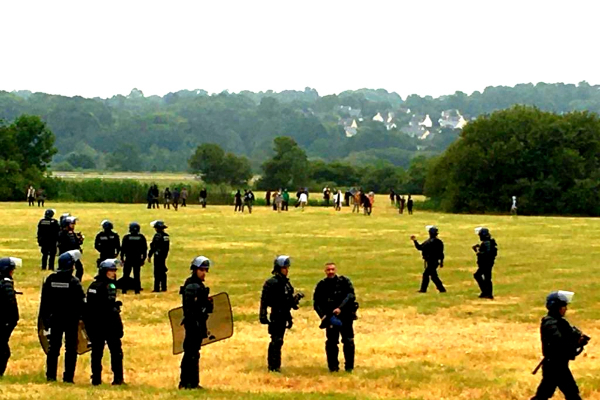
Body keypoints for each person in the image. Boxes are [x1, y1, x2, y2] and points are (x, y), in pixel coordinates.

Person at [531, 291, 589, 400]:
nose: (565, 309)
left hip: (558, 364)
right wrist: (576, 343)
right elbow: (559, 343)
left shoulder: (560, 322)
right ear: (556, 307)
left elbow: (572, 333)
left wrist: (579, 339)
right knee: (571, 393)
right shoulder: (550, 323)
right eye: (563, 306)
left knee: (545, 393)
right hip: (555, 365)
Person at [40, 251, 86, 383]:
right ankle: (68, 377)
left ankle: (51, 376)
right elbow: (81, 303)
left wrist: (46, 319)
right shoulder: (74, 282)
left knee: (53, 348)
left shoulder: (51, 280)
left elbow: (45, 301)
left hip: (55, 319)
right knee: (71, 349)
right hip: (71, 320)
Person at [259, 255, 304, 372]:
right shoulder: (271, 283)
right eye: (284, 268)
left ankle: (276, 365)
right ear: (279, 268)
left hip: (284, 314)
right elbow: (264, 300)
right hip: (276, 315)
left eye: (287, 268)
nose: (287, 270)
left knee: (279, 341)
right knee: (276, 340)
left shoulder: (286, 284)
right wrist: (263, 314)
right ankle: (272, 366)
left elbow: (288, 301)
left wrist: (291, 312)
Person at [85, 259, 125, 386]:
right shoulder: (110, 286)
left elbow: (89, 306)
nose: (113, 273)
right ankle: (118, 379)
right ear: (104, 272)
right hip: (108, 324)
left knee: (96, 352)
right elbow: (109, 306)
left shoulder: (92, 286)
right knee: (116, 351)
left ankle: (96, 378)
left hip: (95, 324)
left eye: (114, 271)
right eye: (111, 271)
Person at [313, 262, 357, 372]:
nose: (331, 272)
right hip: (330, 318)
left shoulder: (344, 282)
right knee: (331, 343)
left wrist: (340, 308)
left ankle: (349, 367)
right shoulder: (322, 285)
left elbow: (351, 295)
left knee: (348, 341)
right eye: (328, 270)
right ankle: (333, 367)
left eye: (332, 269)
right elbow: (316, 302)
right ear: (325, 271)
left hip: (345, 316)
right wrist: (322, 316)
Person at [178, 256, 214, 390]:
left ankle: (192, 382)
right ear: (195, 270)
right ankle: (186, 382)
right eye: (201, 270)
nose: (204, 273)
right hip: (193, 324)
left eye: (205, 270)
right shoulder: (192, 286)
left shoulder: (198, 285)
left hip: (198, 323)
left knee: (194, 353)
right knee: (191, 353)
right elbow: (191, 308)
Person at [0, 257, 20, 377]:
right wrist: (13, 319)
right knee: (3, 351)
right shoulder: (6, 283)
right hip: (3, 321)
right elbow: (10, 303)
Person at [411, 226, 446, 293]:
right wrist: (441, 262)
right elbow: (441, 253)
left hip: (430, 261)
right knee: (433, 276)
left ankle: (424, 289)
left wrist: (415, 241)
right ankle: (441, 289)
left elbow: (419, 247)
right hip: (436, 262)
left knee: (427, 275)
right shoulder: (439, 242)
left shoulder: (428, 242)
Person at [120, 222, 147, 295]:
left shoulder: (126, 237)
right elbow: (144, 249)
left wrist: (122, 258)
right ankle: (137, 290)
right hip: (137, 258)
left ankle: (124, 289)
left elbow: (122, 249)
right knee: (137, 274)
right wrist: (143, 259)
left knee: (126, 274)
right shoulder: (141, 237)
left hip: (128, 258)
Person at [472, 227, 498, 299]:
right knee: (487, 278)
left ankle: (486, 292)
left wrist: (477, 251)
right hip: (488, 263)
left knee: (478, 276)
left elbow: (485, 254)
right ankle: (487, 293)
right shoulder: (490, 242)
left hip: (485, 263)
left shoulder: (486, 243)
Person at [57, 216, 85, 281]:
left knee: (80, 269)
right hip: (67, 255)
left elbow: (75, 243)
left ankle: (77, 281)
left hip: (73, 255)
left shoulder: (72, 233)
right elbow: (65, 245)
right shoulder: (62, 234)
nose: (73, 225)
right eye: (71, 224)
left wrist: (80, 240)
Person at [148, 220, 169, 292]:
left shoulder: (157, 236)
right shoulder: (166, 236)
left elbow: (153, 246)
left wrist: (149, 255)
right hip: (164, 255)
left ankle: (156, 288)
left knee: (157, 272)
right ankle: (164, 287)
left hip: (158, 256)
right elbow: (167, 247)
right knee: (163, 271)